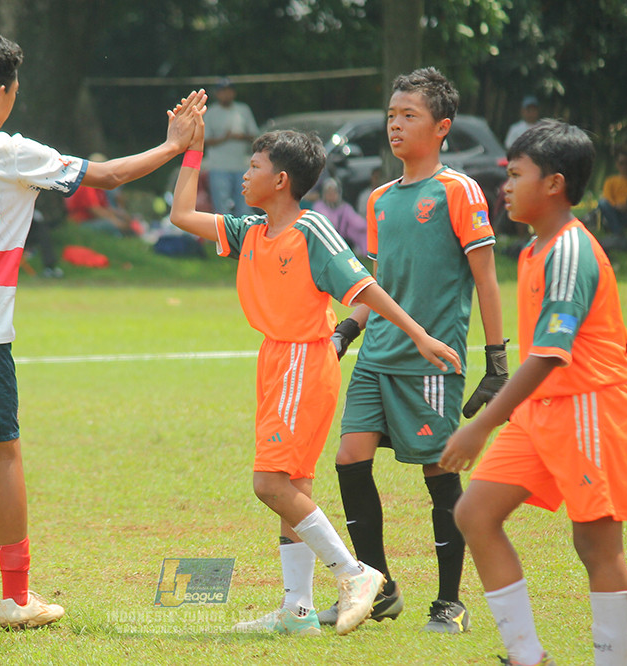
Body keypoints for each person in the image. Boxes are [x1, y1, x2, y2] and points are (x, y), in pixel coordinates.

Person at [0, 28, 205, 640]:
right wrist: (173, 145)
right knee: (4, 453)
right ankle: (16, 597)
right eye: (14, 90)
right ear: (0, 91)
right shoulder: (11, 151)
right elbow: (104, 176)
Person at [169, 119, 462, 636]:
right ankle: (298, 610)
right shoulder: (251, 231)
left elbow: (367, 288)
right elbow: (181, 214)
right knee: (294, 485)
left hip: (305, 361)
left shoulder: (312, 230)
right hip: (275, 361)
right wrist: (189, 151)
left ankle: (356, 574)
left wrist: (419, 335)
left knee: (269, 483)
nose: (243, 174)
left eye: (254, 166)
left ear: (281, 180)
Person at [440, 120, 627, 666]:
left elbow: (552, 354)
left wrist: (481, 424)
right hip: (543, 408)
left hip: (590, 406)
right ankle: (528, 657)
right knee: (475, 512)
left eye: (515, 175)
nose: (503, 186)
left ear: (553, 184)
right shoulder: (535, 249)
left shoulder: (570, 251)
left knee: (597, 545)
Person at [321, 67, 506, 634]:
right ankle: (377, 587)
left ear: (442, 126)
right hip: (377, 356)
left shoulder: (458, 191)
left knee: (438, 472)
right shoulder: (377, 199)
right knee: (349, 458)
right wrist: (347, 332)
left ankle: (450, 601)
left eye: (410, 116)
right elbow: (376, 288)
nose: (396, 126)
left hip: (433, 361)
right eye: (392, 115)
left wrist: (497, 362)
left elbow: (487, 280)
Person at [203, 78, 258, 216]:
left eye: (228, 91)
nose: (226, 94)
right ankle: (223, 237)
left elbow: (255, 135)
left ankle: (244, 236)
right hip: (218, 166)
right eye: (222, 91)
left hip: (241, 165)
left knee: (244, 206)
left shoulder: (243, 110)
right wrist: (224, 138)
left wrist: (241, 136)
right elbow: (205, 140)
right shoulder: (211, 113)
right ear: (217, 94)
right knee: (222, 208)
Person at [64, 153, 143, 236]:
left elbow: (106, 208)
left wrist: (121, 215)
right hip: (80, 223)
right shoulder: (86, 185)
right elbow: (95, 210)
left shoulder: (97, 186)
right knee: (110, 225)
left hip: (92, 220)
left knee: (120, 221)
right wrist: (117, 222)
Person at [311, 178, 366, 256]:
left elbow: (358, 222)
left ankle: (367, 253)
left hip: (342, 240)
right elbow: (329, 224)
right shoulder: (319, 206)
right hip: (324, 242)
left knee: (360, 232)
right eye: (328, 192)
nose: (331, 195)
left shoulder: (345, 207)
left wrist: (368, 226)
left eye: (334, 192)